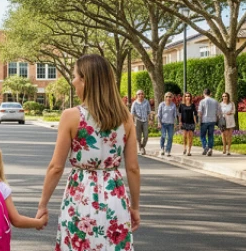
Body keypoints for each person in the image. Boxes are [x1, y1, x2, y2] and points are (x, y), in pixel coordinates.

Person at [36, 54, 140, 251]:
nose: (73, 81)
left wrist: (43, 204)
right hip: (115, 197)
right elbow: (133, 168)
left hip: (80, 196)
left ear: (85, 80)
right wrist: (135, 207)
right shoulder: (126, 117)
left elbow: (56, 167)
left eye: (75, 76)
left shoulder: (71, 116)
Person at [198, 88, 222, 156]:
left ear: (203, 94)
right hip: (212, 120)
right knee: (210, 135)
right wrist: (217, 119)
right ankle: (210, 148)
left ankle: (205, 147)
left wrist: (199, 121)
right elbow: (219, 112)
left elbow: (200, 112)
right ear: (210, 93)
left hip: (204, 121)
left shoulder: (202, 101)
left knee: (202, 135)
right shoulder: (215, 101)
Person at [156, 92, 178, 156]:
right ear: (165, 97)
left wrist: (175, 123)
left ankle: (168, 150)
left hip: (170, 124)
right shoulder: (161, 104)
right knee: (163, 136)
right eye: (167, 96)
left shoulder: (173, 105)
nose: (168, 98)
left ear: (172, 98)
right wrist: (159, 122)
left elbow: (175, 115)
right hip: (163, 123)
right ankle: (162, 148)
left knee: (170, 137)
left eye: (170, 97)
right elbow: (159, 115)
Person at [130, 89, 151, 155]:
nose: (140, 95)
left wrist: (150, 120)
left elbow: (149, 112)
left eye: (142, 94)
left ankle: (142, 146)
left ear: (143, 95)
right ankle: (140, 147)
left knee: (146, 135)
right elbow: (132, 113)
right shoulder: (134, 103)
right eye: (139, 94)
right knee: (138, 137)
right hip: (137, 120)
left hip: (145, 120)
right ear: (136, 95)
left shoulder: (146, 102)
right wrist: (132, 122)